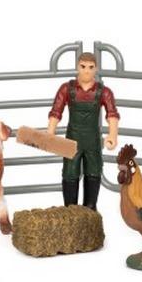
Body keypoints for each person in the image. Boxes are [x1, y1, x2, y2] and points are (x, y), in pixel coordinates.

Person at [47, 52, 119, 210]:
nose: (87, 71)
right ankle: (70, 211)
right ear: (77, 66)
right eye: (83, 66)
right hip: (72, 139)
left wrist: (113, 134)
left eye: (91, 67)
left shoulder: (104, 92)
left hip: (93, 141)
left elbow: (112, 114)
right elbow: (56, 111)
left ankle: (90, 211)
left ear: (96, 68)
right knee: (69, 173)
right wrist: (50, 133)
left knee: (93, 171)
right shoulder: (67, 89)